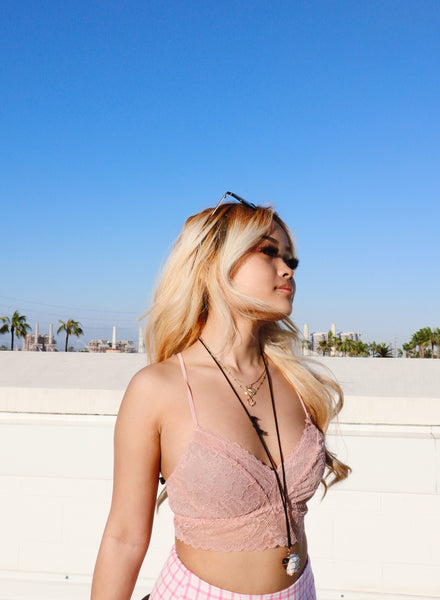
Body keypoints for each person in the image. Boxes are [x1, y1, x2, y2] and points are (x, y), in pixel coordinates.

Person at [90, 192, 350, 600]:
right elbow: (124, 537)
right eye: (268, 252)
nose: (288, 269)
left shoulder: (298, 382)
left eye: (290, 258)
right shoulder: (158, 388)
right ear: (214, 264)